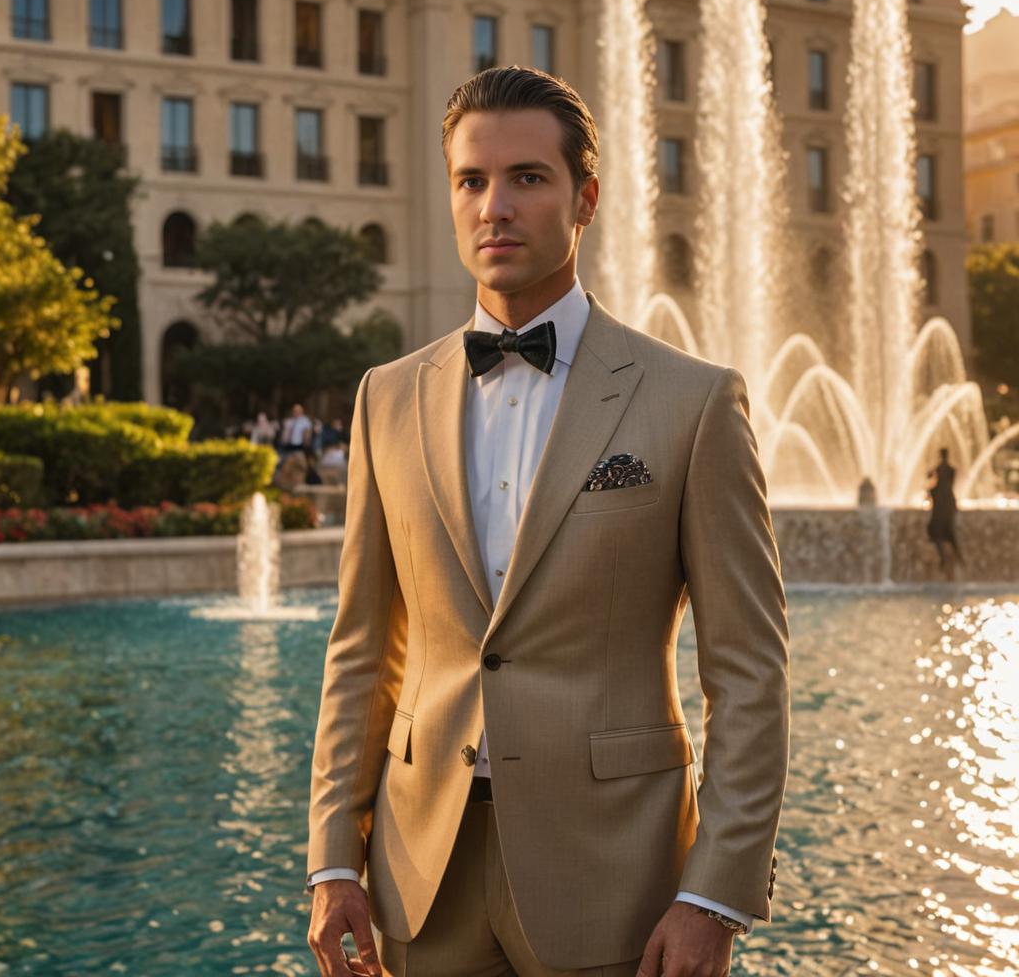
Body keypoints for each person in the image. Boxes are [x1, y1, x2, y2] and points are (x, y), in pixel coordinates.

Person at [306, 67, 790, 977]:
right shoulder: (386, 398)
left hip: (616, 874)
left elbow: (749, 672)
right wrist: (334, 857)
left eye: (528, 178)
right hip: (423, 873)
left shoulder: (693, 402)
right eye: (471, 181)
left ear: (585, 199)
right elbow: (363, 650)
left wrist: (714, 895)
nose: (496, 206)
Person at [926, 447, 964, 579]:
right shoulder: (950, 470)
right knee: (948, 535)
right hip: (947, 504)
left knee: (938, 533)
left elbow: (929, 479)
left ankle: (950, 561)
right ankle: (957, 561)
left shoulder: (939, 469)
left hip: (942, 506)